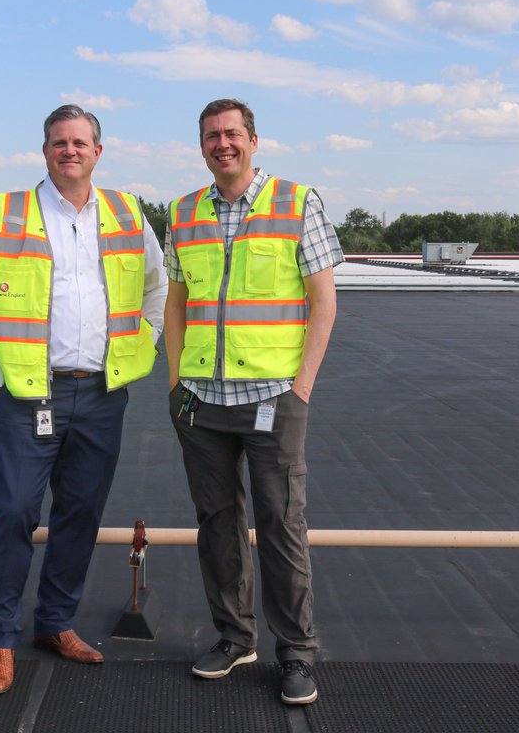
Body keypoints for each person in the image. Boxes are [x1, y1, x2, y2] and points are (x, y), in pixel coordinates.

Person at [0, 104, 166, 694]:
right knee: (15, 512)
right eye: (58, 142)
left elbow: (158, 288)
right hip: (29, 394)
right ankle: (1, 639)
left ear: (98, 151)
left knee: (80, 513)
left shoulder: (127, 212)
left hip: (101, 392)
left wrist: (142, 346)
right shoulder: (8, 212)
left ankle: (54, 622)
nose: (68, 150)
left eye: (79, 142)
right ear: (45, 150)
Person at [163, 98, 342, 705]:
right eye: (212, 135)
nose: (223, 144)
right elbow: (177, 302)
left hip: (273, 397)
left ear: (253, 140)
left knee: (281, 524)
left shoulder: (297, 203)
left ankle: (296, 653)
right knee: (216, 524)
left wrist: (302, 387)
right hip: (201, 401)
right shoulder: (183, 213)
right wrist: (175, 382)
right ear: (202, 146)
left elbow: (324, 301)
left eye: (232, 133)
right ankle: (235, 638)